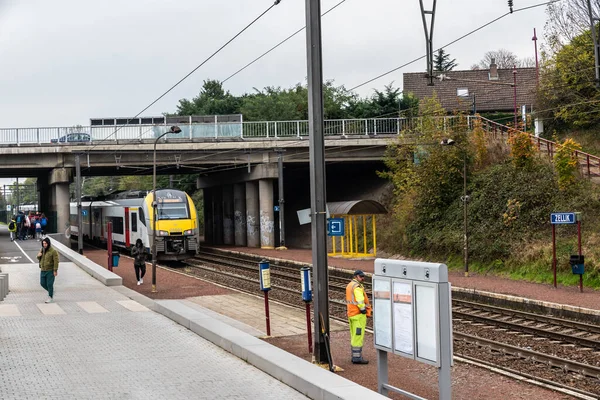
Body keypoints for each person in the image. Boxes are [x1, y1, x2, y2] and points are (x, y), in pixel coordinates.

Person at [345, 270, 372, 364]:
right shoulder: (357, 287)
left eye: (363, 276)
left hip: (351, 314)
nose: (363, 278)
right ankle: (357, 358)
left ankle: (354, 356)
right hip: (358, 315)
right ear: (356, 276)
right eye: (361, 277)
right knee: (358, 336)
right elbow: (360, 299)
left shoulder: (350, 285)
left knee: (354, 335)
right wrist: (363, 309)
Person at [37, 237, 59, 303]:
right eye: (43, 243)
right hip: (43, 269)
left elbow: (56, 261)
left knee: (49, 284)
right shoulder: (42, 250)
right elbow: (39, 258)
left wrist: (55, 270)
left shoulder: (53, 251)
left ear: (48, 243)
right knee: (42, 283)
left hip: (50, 270)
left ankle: (50, 296)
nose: (44, 245)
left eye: (45, 243)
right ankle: (51, 291)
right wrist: (38, 255)